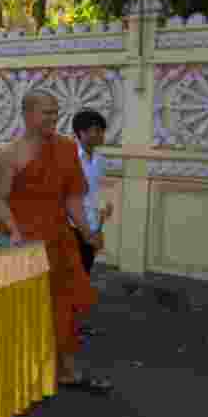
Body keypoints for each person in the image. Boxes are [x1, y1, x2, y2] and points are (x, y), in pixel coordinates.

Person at [0, 91, 112, 394]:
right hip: (24, 241)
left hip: (59, 237)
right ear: (28, 114)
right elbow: (0, 202)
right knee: (27, 308)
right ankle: (25, 373)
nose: (53, 119)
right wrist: (15, 232)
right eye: (46, 113)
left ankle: (67, 371)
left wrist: (87, 232)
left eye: (55, 113)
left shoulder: (66, 148)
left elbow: (73, 197)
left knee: (65, 304)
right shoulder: (9, 156)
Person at [71, 109, 114, 338]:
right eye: (96, 130)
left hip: (93, 225)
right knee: (71, 276)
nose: (101, 135)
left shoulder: (99, 160)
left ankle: (74, 323)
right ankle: (65, 324)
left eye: (102, 130)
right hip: (73, 227)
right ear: (81, 133)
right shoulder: (70, 159)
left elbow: (94, 193)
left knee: (84, 275)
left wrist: (103, 210)